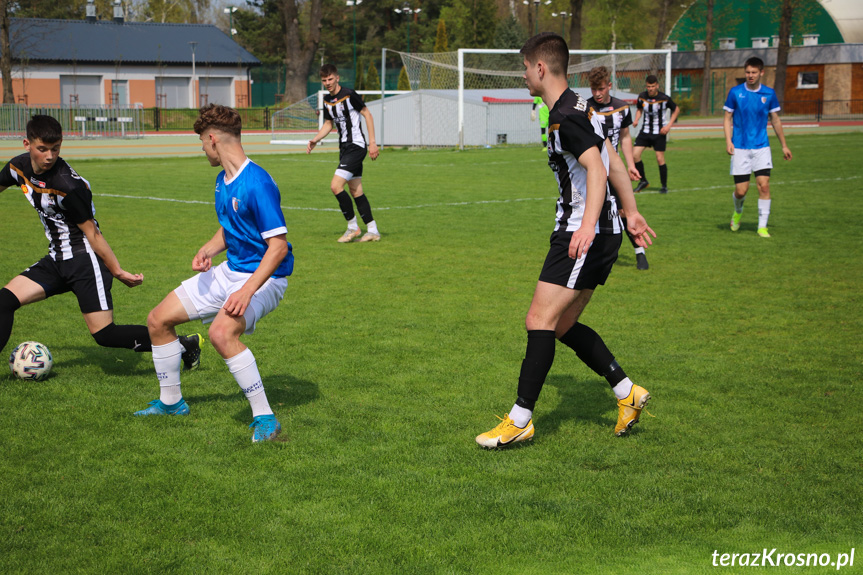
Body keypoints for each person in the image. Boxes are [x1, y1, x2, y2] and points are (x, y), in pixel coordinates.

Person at [476, 33, 656, 449]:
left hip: (581, 230)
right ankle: (627, 392)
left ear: (541, 68)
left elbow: (596, 168)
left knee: (538, 321)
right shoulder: (580, 103)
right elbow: (610, 155)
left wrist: (588, 225)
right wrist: (630, 212)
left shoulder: (565, 115)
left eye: (525, 67)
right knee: (562, 325)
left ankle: (520, 419)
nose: (523, 75)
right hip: (599, 229)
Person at [134, 104, 292, 443]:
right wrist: (208, 249)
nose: (203, 150)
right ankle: (171, 402)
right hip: (231, 270)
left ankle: (266, 418)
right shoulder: (223, 181)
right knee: (158, 320)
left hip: (267, 278)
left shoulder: (257, 183)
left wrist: (246, 291)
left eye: (202, 144)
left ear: (212, 139)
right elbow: (231, 229)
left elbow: (277, 247)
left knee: (222, 334)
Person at [0, 115, 201, 367]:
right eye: (42, 149)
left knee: (105, 335)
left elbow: (93, 234)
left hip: (86, 261)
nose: (49, 156)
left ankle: (184, 345)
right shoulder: (17, 168)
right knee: (4, 301)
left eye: (55, 148)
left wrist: (117, 271)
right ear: (27, 144)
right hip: (56, 259)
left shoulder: (68, 186)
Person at [307, 64, 381, 243]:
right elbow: (328, 124)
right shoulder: (327, 100)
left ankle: (352, 227)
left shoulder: (349, 95)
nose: (328, 83)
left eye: (330, 79)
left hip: (356, 145)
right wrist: (315, 139)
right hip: (345, 149)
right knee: (356, 190)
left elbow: (367, 114)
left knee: (336, 186)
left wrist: (372, 143)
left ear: (337, 78)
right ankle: (372, 230)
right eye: (324, 80)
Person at [587, 66, 650, 271]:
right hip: (592, 170)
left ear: (609, 86)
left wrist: (631, 165)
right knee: (591, 212)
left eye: (601, 89)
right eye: (594, 89)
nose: (597, 93)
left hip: (615, 170)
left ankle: (640, 252)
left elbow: (624, 137)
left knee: (624, 211)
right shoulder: (585, 108)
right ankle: (588, 256)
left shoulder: (622, 108)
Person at [724, 56, 792, 238]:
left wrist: (784, 146)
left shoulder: (769, 94)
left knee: (764, 186)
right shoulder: (735, 92)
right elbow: (727, 118)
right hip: (740, 147)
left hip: (762, 147)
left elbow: (775, 120)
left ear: (761, 72)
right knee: (741, 191)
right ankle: (737, 213)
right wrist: (728, 141)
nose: (750, 75)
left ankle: (762, 226)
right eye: (747, 72)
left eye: (754, 72)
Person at [633, 74, 679, 194]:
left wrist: (668, 126)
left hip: (659, 133)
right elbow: (639, 109)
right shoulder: (642, 96)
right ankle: (643, 181)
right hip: (645, 131)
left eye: (653, 86)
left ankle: (664, 186)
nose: (650, 89)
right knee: (635, 155)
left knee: (660, 159)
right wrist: (637, 119)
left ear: (657, 86)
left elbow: (676, 109)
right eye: (648, 86)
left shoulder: (664, 98)